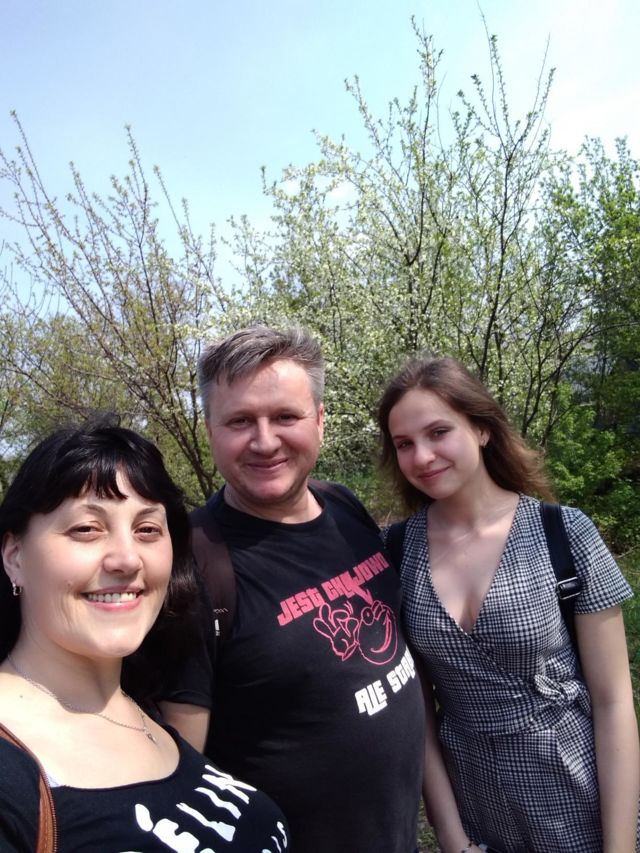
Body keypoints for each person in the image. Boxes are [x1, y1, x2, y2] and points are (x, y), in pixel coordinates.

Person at [161, 325, 426, 853]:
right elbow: (181, 778)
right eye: (240, 421)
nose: (265, 441)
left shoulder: (343, 506)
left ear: (320, 421)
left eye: (286, 417)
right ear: (210, 430)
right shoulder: (192, 567)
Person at [377, 355, 640, 853]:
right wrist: (451, 836)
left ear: (481, 429)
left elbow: (613, 702)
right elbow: (420, 712)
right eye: (404, 444)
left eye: (438, 432)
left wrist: (620, 846)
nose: (422, 456)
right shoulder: (395, 551)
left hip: (579, 794)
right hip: (477, 806)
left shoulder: (564, 533)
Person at [0, 421, 289, 852]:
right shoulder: (10, 773)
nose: (127, 559)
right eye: (86, 529)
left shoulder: (141, 706)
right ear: (15, 557)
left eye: (148, 530)